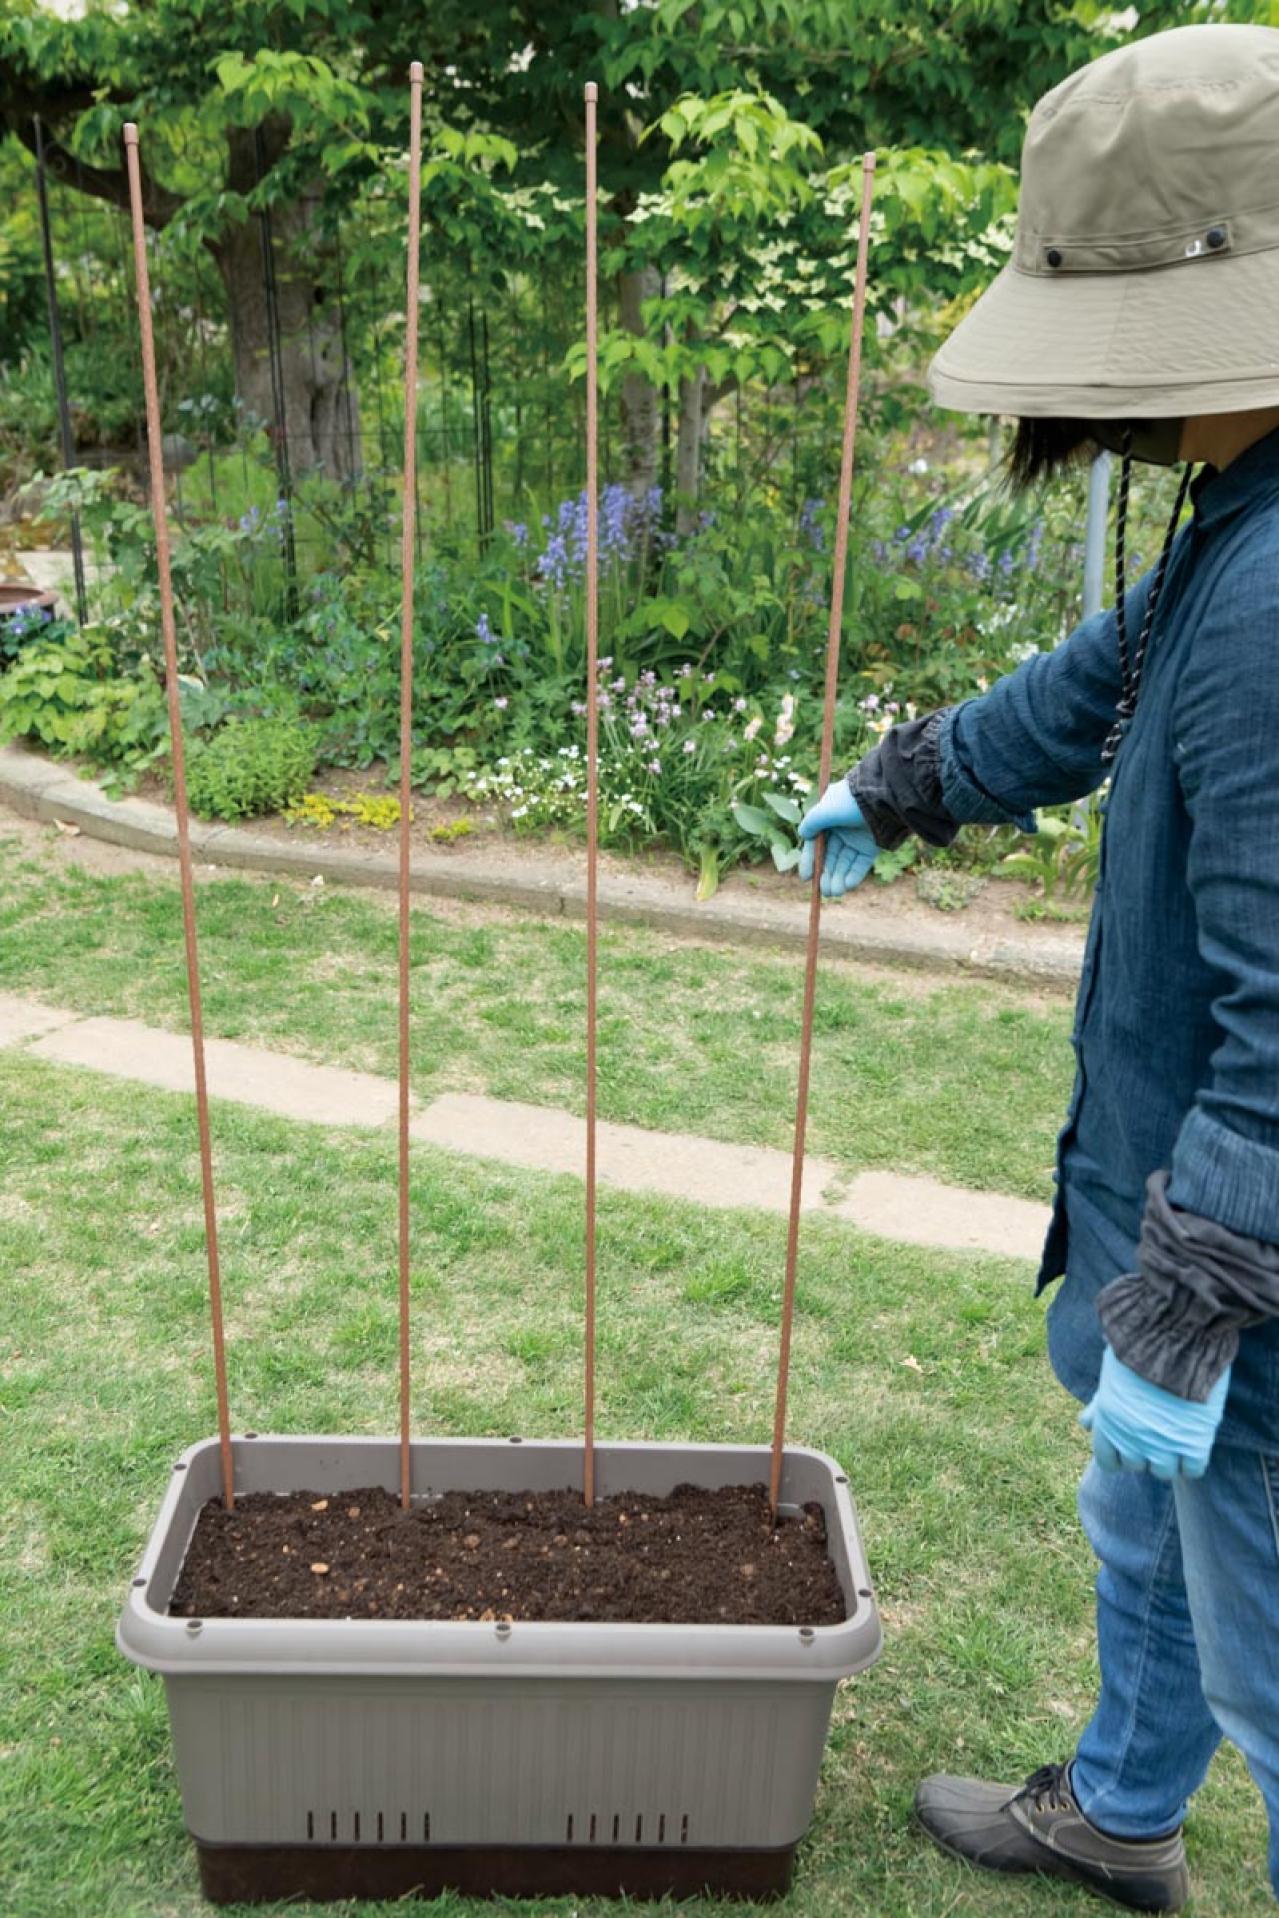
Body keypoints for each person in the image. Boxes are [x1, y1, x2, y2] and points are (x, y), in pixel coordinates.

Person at [797, 24, 1279, 1913]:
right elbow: (1108, 674)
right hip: (1192, 1225)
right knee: (1140, 1534)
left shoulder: (1276, 598)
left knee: (1269, 1656)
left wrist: (1195, 1306)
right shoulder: (1230, 530)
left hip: (1250, 1280)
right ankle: (1120, 1809)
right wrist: (908, 781)